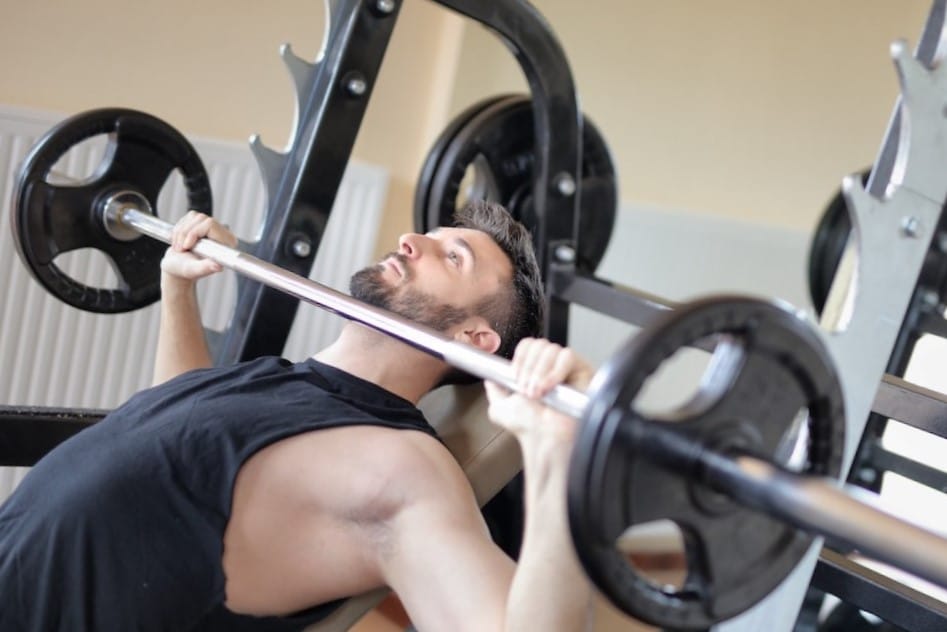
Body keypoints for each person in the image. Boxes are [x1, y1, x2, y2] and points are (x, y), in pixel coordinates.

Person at [0, 200, 595, 631]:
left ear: (475, 336)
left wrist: (559, 452)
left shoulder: (403, 466)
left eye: (453, 255)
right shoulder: (284, 377)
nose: (413, 239)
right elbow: (178, 451)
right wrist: (176, 289)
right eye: (431, 234)